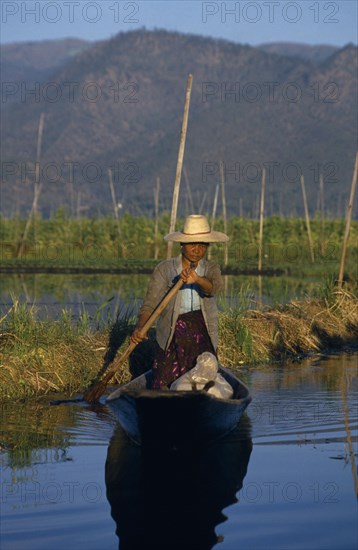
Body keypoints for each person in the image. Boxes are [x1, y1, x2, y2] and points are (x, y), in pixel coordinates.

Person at [130, 214, 228, 389]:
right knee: (164, 384)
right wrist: (140, 327)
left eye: (202, 245)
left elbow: (214, 288)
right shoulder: (165, 269)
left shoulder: (211, 269)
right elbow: (150, 305)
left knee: (205, 382)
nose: (197, 250)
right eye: (192, 244)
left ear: (207, 246)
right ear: (182, 244)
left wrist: (197, 279)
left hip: (202, 333)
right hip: (172, 334)